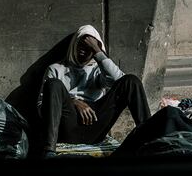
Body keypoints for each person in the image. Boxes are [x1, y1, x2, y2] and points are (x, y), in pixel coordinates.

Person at [36, 24, 151, 158]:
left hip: (95, 126)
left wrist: (98, 51)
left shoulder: (98, 70)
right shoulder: (56, 69)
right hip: (67, 127)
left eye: (88, 48)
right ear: (73, 45)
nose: (83, 51)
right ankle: (49, 151)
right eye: (80, 45)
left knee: (131, 80)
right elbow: (40, 108)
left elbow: (120, 80)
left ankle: (151, 140)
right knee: (54, 84)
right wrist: (73, 101)